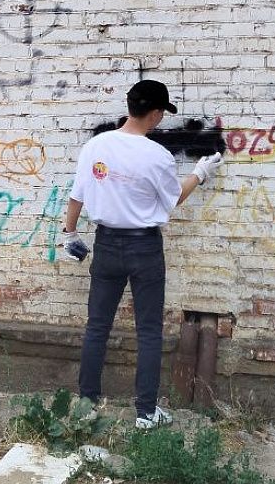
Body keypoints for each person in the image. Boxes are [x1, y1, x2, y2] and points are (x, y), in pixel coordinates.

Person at [58, 79, 223, 429]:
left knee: (97, 327)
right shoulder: (156, 155)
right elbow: (174, 198)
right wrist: (200, 173)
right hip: (144, 247)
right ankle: (146, 413)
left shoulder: (96, 146)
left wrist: (70, 234)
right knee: (148, 331)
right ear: (156, 114)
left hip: (106, 243)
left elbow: (76, 197)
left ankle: (87, 405)